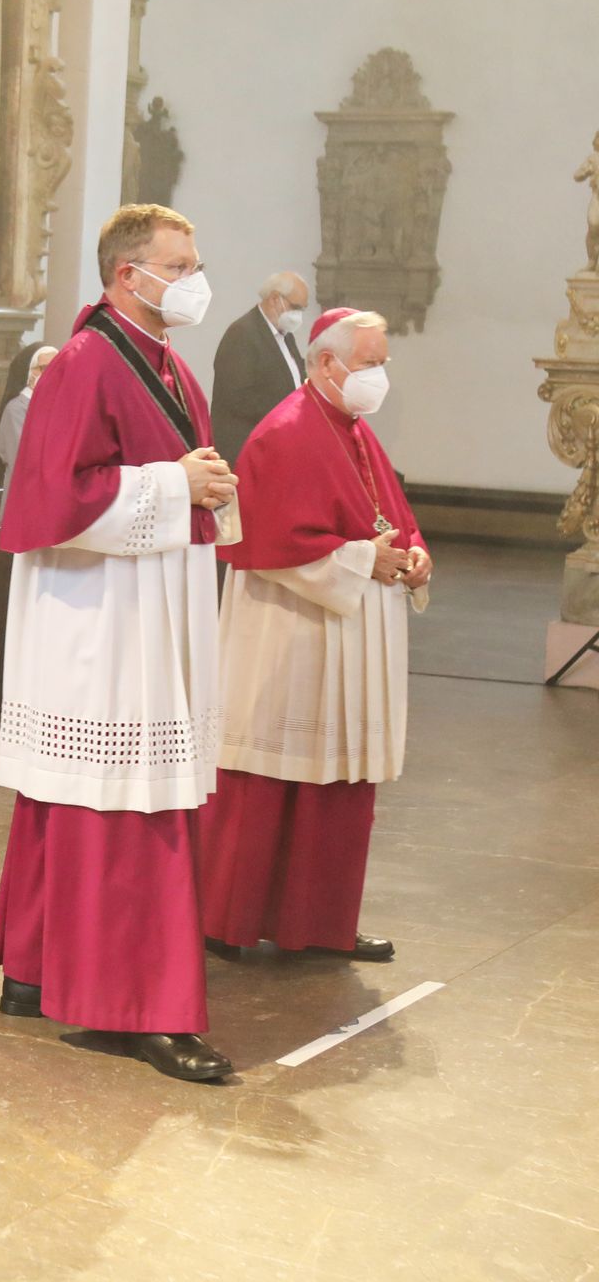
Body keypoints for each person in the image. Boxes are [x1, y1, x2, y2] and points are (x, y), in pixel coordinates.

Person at [0, 203, 241, 1082]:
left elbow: (177, 472)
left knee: (81, 797)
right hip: (100, 616)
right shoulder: (87, 361)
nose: (196, 280)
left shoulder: (166, 362)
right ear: (129, 275)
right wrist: (176, 484)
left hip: (145, 601)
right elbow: (55, 496)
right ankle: (134, 1007)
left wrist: (204, 485)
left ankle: (36, 968)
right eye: (181, 265)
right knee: (129, 807)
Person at [199, 308, 430, 964]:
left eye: (382, 363)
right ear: (327, 363)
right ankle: (226, 921)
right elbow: (272, 541)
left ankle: (322, 923)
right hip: (291, 634)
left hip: (347, 633)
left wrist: (414, 555)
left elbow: (390, 516)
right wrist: (364, 560)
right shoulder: (285, 432)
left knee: (340, 784)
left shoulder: (355, 430)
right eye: (369, 363)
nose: (379, 376)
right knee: (269, 780)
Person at [210, 271, 308, 460]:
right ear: (275, 299)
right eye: (295, 307)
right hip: (247, 448)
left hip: (278, 443)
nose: (298, 315)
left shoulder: (286, 336)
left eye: (302, 309)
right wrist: (289, 411)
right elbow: (238, 398)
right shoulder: (242, 333)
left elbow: (296, 378)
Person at [0, 344, 57, 517]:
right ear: (29, 372)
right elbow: (22, 461)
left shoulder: (58, 407)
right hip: (24, 502)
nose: (53, 374)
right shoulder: (16, 409)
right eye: (44, 368)